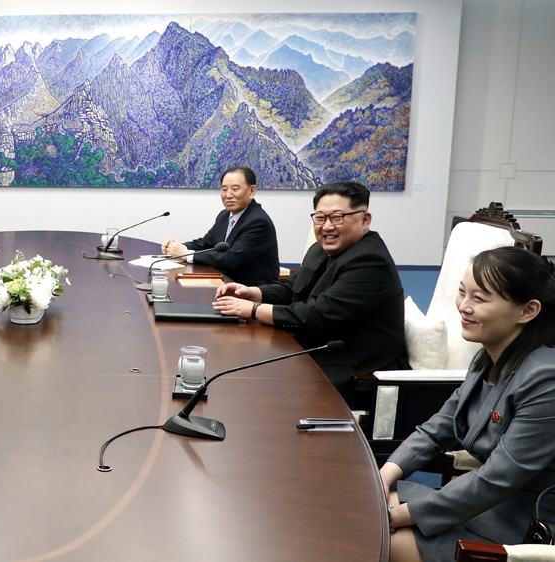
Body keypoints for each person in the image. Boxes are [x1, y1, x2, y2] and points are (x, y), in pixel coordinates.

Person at [381, 247, 555, 562]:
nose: (464, 305)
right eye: (462, 292)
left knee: (378, 538)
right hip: (481, 506)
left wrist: (396, 518)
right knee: (370, 503)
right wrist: (384, 475)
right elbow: (438, 429)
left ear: (528, 310)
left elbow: (497, 480)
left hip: (523, 526)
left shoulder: (546, 379)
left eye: (480, 298)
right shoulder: (487, 355)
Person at [213, 180, 408, 392]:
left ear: (365, 220)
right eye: (320, 218)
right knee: (235, 359)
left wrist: (253, 309)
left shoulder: (370, 260)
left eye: (337, 217)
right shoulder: (320, 249)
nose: (327, 226)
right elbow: (293, 288)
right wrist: (252, 293)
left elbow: (319, 315)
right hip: (314, 349)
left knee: (256, 383)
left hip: (353, 370)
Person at [161, 166, 279, 286]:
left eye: (235, 189)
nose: (228, 195)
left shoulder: (258, 222)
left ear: (252, 191)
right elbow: (205, 243)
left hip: (249, 291)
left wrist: (187, 254)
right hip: (224, 284)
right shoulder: (225, 215)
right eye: (224, 189)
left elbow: (231, 259)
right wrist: (177, 248)